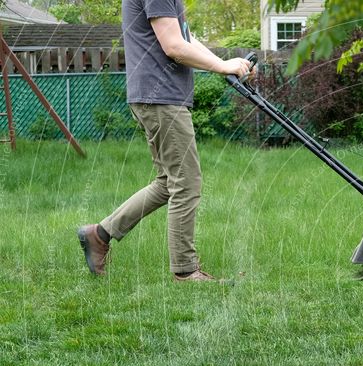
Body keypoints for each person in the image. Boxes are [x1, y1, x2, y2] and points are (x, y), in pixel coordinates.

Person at [78, 0, 252, 281]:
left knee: (167, 183)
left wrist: (227, 65)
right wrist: (221, 66)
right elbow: (173, 46)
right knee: (186, 182)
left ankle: (99, 234)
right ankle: (185, 271)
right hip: (161, 98)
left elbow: (186, 37)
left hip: (159, 97)